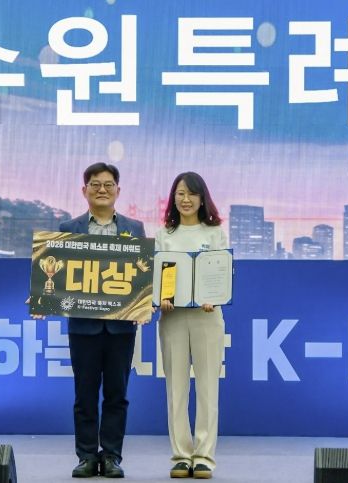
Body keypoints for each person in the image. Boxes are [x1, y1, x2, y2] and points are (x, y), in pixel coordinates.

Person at [59, 162, 147, 479]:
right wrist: (43, 296)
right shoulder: (68, 228)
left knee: (116, 394)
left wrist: (144, 302)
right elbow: (56, 275)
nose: (102, 190)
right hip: (83, 326)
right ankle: (86, 456)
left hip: (121, 326)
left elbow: (142, 272)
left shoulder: (134, 229)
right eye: (95, 184)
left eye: (108, 185)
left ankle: (111, 456)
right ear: (84, 190)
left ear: (118, 191)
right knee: (84, 395)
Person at [155, 172, 227, 480]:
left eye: (191, 194)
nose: (185, 199)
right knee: (176, 389)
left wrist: (214, 296)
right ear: (173, 198)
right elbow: (159, 274)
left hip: (207, 316)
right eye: (180, 193)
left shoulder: (215, 232)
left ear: (202, 198)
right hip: (172, 317)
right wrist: (162, 296)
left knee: (208, 388)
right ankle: (182, 456)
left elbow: (222, 271)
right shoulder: (164, 234)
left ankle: (204, 456)